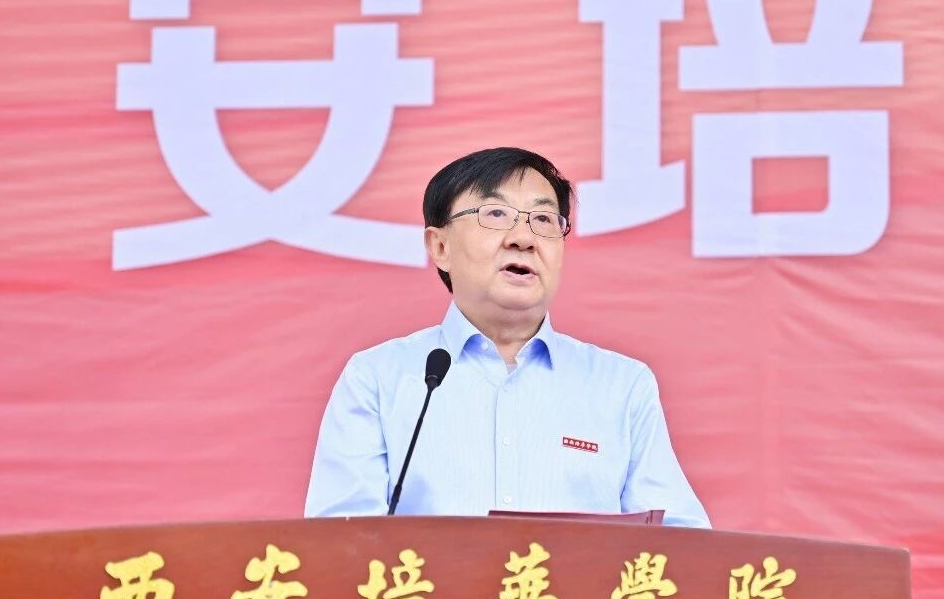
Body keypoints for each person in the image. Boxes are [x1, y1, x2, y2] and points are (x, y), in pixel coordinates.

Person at [304, 147, 710, 527]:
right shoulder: (377, 379)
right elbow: (341, 543)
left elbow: (681, 542)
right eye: (495, 214)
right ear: (440, 246)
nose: (523, 238)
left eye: (544, 219)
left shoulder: (621, 386)